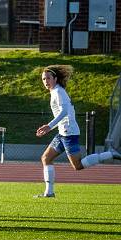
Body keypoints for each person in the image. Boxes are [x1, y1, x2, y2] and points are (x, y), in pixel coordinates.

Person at [35, 65, 121, 198]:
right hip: (62, 133)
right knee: (46, 158)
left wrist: (49, 126)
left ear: (55, 79)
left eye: (48, 78)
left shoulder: (58, 92)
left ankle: (110, 153)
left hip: (69, 133)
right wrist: (51, 128)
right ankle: (49, 192)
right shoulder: (54, 92)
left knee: (78, 166)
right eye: (43, 79)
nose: (46, 81)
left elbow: (64, 112)